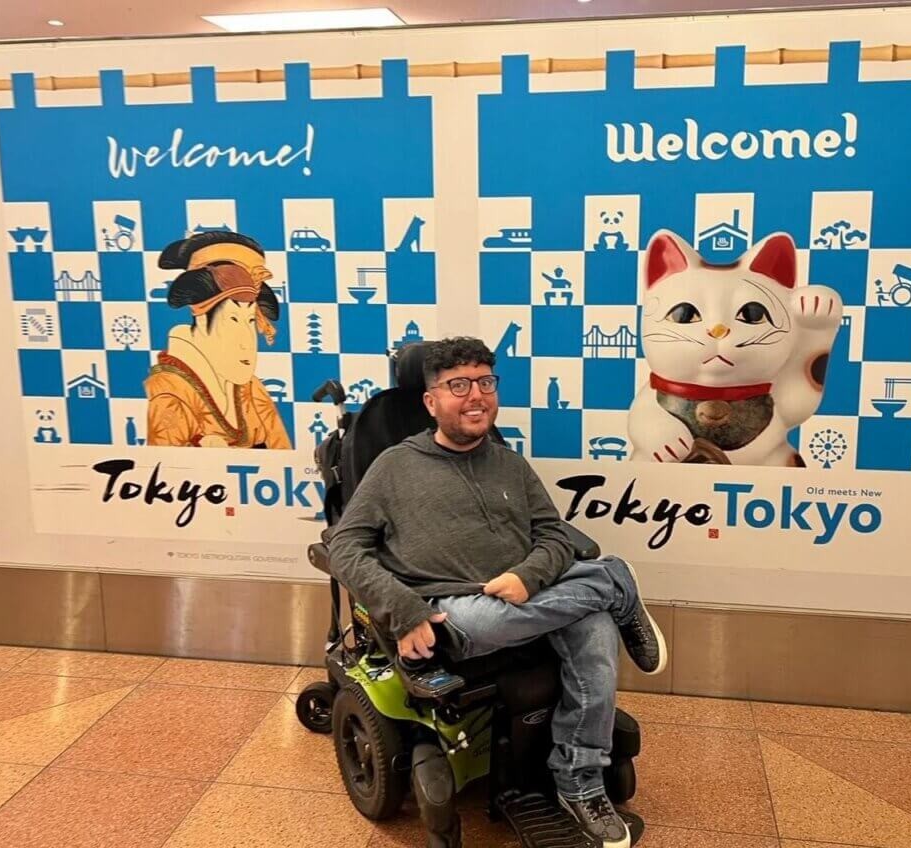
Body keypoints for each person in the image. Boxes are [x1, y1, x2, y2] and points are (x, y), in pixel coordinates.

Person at [327, 336, 668, 848]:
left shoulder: (510, 464)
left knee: (593, 624)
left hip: (525, 597)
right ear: (431, 401)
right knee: (526, 614)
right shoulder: (394, 466)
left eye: (485, 382)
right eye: (458, 385)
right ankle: (613, 582)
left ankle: (580, 778)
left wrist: (528, 577)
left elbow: (554, 534)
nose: (475, 396)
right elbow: (345, 547)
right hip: (449, 609)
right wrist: (403, 610)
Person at [145, 231, 291, 449]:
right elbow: (165, 471)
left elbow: (283, 457)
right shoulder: (171, 394)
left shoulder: (251, 387)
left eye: (250, 321)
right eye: (233, 319)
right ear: (202, 319)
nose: (246, 341)